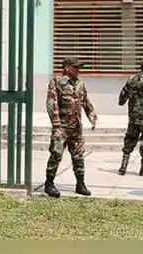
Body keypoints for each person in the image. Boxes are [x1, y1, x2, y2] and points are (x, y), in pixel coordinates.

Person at [43, 55, 98, 198]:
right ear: (67, 68)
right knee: (56, 154)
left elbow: (85, 100)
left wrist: (91, 115)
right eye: (76, 67)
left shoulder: (80, 83)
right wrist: (56, 124)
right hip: (62, 127)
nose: (78, 70)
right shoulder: (57, 82)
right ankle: (49, 184)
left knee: (78, 156)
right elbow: (51, 103)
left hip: (76, 128)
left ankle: (80, 184)